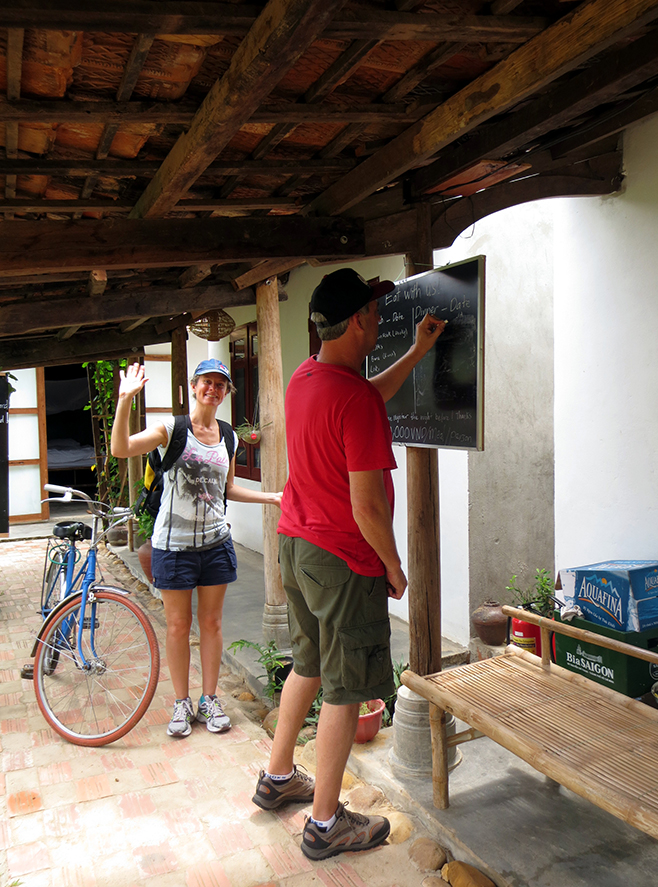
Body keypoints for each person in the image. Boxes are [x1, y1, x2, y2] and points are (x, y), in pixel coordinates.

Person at [251, 267, 446, 859]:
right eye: (377, 312)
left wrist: (414, 352)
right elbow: (366, 506)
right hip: (341, 559)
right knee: (342, 689)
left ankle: (279, 776)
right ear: (359, 320)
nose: (382, 319)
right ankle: (326, 822)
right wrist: (393, 566)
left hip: (297, 546)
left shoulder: (309, 379)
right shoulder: (352, 398)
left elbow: (364, 398)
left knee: (307, 665)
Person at [111, 358, 282, 738]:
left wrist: (271, 497)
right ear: (193, 386)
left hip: (215, 544)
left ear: (225, 392)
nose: (213, 389)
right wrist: (125, 401)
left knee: (212, 623)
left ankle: (209, 699)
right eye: (207, 381)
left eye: (220, 384)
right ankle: (180, 702)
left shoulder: (229, 437)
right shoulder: (172, 428)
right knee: (177, 625)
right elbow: (121, 449)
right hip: (172, 547)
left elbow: (227, 489)